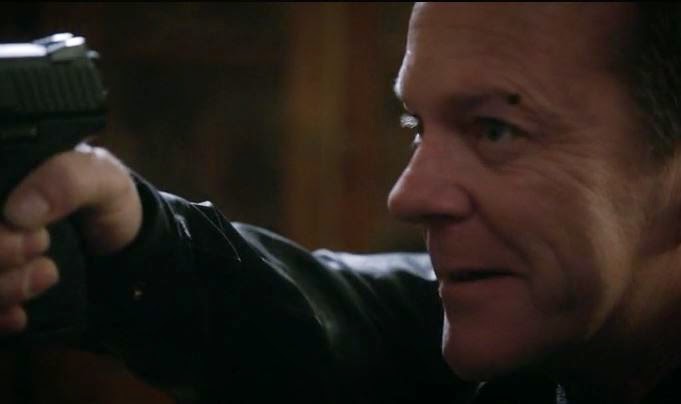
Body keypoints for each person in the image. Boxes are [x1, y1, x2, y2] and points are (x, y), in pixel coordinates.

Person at [2, 2, 681, 403]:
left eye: (494, 130)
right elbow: (335, 320)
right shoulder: (536, 333)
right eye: (416, 125)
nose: (408, 195)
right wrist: (131, 240)